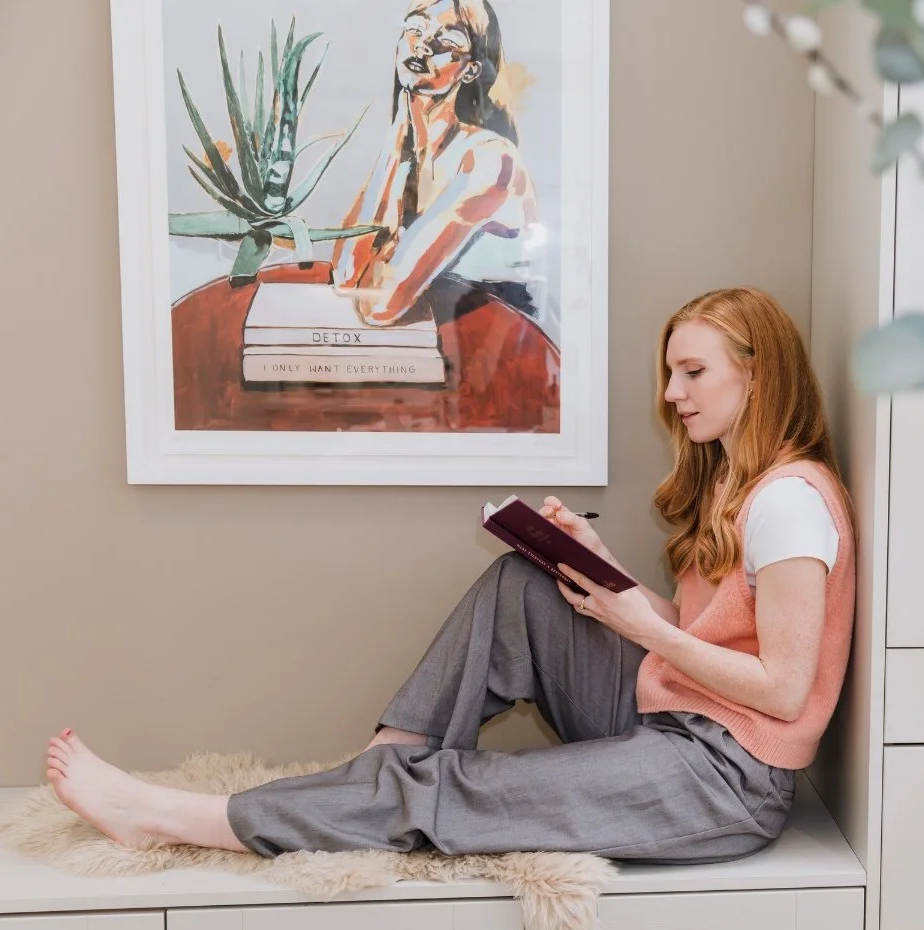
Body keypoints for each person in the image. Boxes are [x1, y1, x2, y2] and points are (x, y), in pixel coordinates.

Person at [45, 287, 857, 864]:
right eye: (671, 373)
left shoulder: (788, 503)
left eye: (692, 373)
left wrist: (641, 626)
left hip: (725, 780)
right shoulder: (733, 482)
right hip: (672, 714)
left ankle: (175, 817)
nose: (671, 393)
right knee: (525, 582)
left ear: (756, 375)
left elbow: (784, 693)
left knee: (461, 789)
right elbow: (700, 635)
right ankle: (384, 763)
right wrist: (610, 579)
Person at [332, 0, 544, 326]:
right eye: (415, 29)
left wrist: (386, 263)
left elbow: (378, 306)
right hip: (438, 350)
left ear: (470, 69)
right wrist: (394, 145)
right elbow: (346, 279)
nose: (424, 46)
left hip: (506, 351)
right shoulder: (405, 158)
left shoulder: (490, 160)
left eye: (446, 43)